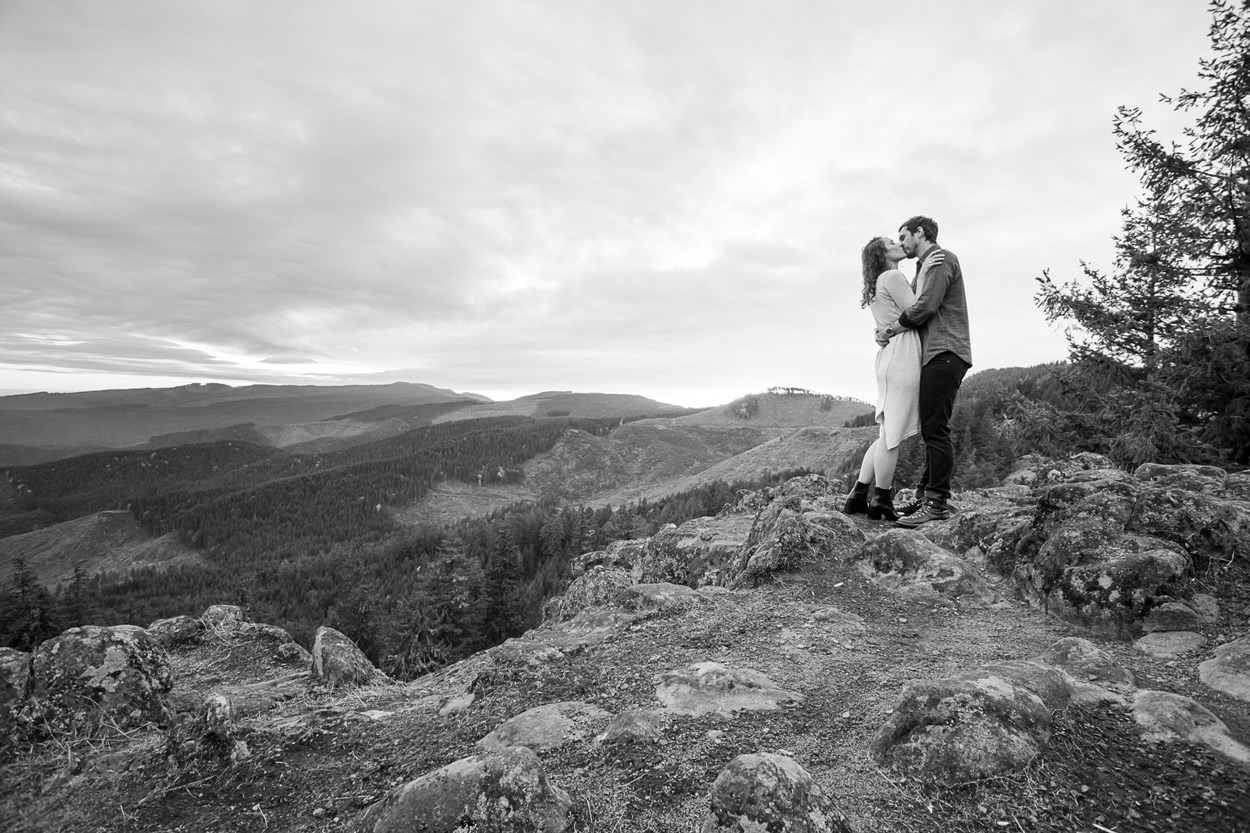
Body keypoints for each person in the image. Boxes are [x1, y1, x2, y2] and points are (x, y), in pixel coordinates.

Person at [874, 215, 972, 528]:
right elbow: (912, 304)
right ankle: (925, 496)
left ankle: (937, 503)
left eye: (903, 237)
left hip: (946, 351)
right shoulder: (925, 265)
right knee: (933, 426)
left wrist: (889, 329)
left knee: (935, 428)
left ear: (920, 233)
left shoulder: (942, 260)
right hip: (935, 353)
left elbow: (924, 307)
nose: (901, 244)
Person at [842, 236, 943, 521]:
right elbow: (919, 309)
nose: (898, 244)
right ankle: (881, 499)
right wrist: (925, 272)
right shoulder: (893, 276)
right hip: (903, 354)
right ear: (882, 254)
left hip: (888, 357)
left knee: (886, 431)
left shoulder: (877, 284)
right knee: (892, 435)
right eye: (890, 242)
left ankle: (858, 495)